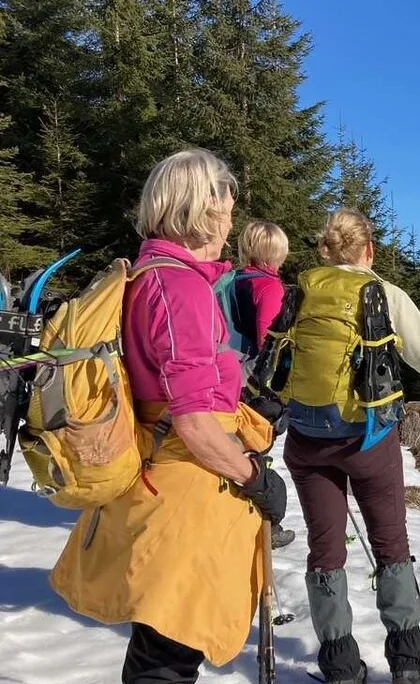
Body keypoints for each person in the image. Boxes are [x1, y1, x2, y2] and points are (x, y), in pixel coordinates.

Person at [48, 149, 288, 683]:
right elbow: (194, 422)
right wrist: (255, 478)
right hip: (183, 490)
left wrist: (243, 402)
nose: (232, 215)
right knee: (168, 658)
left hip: (164, 476)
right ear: (202, 205)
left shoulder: (153, 273)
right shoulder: (179, 287)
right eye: (226, 200)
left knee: (159, 649)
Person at [271, 208, 420, 684]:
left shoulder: (299, 293)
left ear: (325, 248)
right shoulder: (384, 294)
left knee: (325, 551)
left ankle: (340, 666)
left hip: (306, 441)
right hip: (368, 441)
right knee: (391, 546)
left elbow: (271, 359)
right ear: (369, 251)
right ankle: (407, 662)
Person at [229, 219, 296, 550]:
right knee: (256, 447)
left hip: (228, 373)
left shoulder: (235, 280)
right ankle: (264, 524)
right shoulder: (270, 287)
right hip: (253, 381)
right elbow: (268, 339)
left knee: (240, 446)